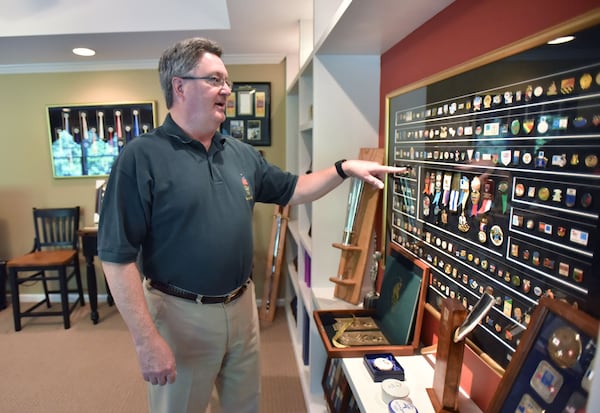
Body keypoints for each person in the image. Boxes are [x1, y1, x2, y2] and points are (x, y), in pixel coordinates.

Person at [97, 37, 404, 413]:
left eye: (227, 80)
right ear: (179, 86)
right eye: (215, 80)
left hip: (243, 309)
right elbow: (116, 258)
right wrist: (146, 341)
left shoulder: (239, 153)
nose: (227, 89)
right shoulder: (140, 158)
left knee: (245, 406)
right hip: (180, 317)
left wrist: (343, 169)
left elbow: (294, 189)